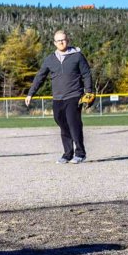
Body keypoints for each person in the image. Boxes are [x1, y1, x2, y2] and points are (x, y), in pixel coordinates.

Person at [25, 29, 95, 164]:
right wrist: (30, 93)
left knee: (73, 124)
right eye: (58, 40)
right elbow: (40, 77)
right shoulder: (50, 59)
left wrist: (89, 91)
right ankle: (68, 154)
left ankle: (80, 153)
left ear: (67, 41)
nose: (61, 42)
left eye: (63, 40)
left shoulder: (77, 56)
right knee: (62, 124)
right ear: (54, 43)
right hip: (57, 98)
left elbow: (86, 74)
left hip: (74, 95)